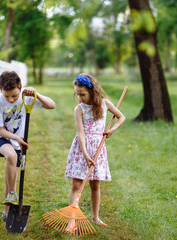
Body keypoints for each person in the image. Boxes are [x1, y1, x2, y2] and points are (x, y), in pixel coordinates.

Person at [0, 71, 55, 222]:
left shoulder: (26, 97)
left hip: (19, 142)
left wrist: (36, 94)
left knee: (11, 176)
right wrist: (16, 138)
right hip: (1, 137)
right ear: (1, 90)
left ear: (20, 87)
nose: (11, 99)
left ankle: (7, 211)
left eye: (14, 95)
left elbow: (51, 105)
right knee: (11, 155)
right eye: (7, 96)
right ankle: (12, 193)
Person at [64, 73, 125, 231]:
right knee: (77, 184)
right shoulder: (79, 109)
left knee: (95, 184)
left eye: (82, 94)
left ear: (92, 91)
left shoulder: (104, 104)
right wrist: (84, 153)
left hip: (98, 148)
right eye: (77, 94)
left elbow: (121, 117)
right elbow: (81, 133)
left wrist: (112, 129)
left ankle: (96, 217)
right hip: (82, 149)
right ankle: (72, 220)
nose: (80, 98)